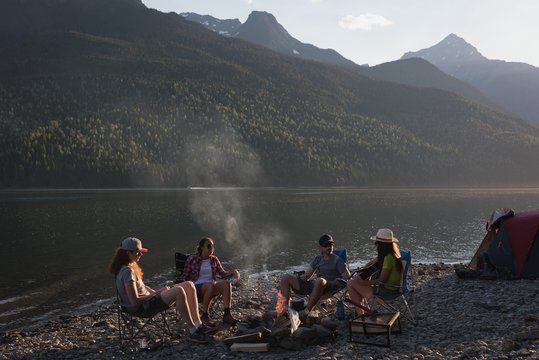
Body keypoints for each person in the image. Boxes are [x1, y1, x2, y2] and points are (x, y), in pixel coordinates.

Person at [109, 237, 212, 343]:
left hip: (148, 300)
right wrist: (156, 294)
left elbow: (142, 288)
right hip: (142, 308)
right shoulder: (127, 272)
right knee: (179, 291)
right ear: (128, 253)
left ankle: (198, 325)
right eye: (138, 252)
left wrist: (155, 290)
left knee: (189, 285)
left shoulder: (125, 268)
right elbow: (134, 301)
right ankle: (193, 331)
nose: (141, 255)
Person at [279, 234, 350, 312]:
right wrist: (298, 277)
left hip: (328, 288)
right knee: (286, 277)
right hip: (315, 286)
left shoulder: (338, 260)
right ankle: (285, 308)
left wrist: (336, 283)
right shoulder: (318, 259)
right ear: (320, 247)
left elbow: (347, 277)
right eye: (326, 245)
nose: (329, 247)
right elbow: (307, 276)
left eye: (331, 244)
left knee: (320, 280)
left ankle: (307, 311)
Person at [182, 237, 240, 326]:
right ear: (202, 247)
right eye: (209, 246)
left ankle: (227, 314)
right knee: (210, 285)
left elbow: (223, 273)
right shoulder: (192, 259)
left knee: (226, 284)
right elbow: (184, 276)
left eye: (213, 246)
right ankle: (205, 315)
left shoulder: (214, 259)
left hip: (211, 286)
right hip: (196, 287)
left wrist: (233, 272)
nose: (211, 248)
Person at [347, 228, 404, 315]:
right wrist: (363, 269)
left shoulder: (388, 259)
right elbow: (373, 262)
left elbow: (382, 281)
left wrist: (363, 283)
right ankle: (365, 312)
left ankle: (361, 315)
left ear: (381, 245)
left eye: (377, 243)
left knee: (350, 283)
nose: (376, 245)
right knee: (354, 282)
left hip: (387, 292)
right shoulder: (393, 254)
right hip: (393, 288)